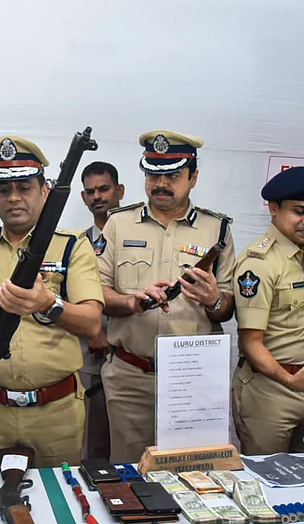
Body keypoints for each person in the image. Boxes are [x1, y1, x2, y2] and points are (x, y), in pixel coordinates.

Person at [0, 135, 104, 469]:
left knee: (59, 505)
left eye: (25, 187)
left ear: (45, 190)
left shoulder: (73, 246)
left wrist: (48, 303)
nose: (13, 198)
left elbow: (91, 323)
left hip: (56, 412)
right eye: (4, 189)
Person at [97, 130, 236, 463]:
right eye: (153, 174)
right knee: (131, 474)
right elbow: (95, 293)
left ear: (194, 177)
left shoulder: (216, 229)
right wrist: (132, 301)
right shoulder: (118, 224)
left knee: (194, 472)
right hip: (131, 377)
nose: (160, 183)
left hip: (194, 380)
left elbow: (228, 306)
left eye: (172, 175)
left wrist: (213, 299)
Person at [232, 167, 304, 455]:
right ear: (273, 208)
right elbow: (250, 342)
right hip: (271, 391)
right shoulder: (259, 262)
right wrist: (291, 380)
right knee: (267, 482)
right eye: (299, 211)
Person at [78, 161, 124, 460]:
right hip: (92, 355)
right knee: (95, 441)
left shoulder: (138, 238)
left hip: (131, 354)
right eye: (90, 191)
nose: (97, 196)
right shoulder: (77, 243)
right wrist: (95, 333)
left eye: (104, 189)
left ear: (119, 191)